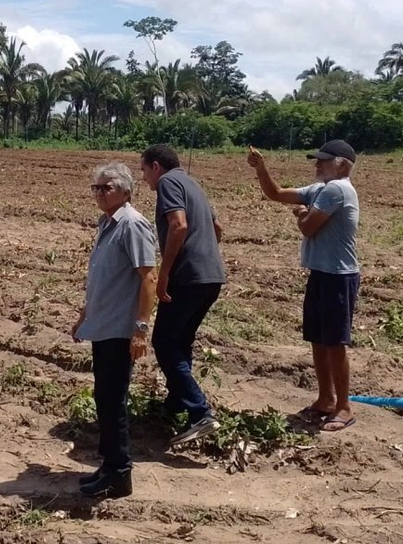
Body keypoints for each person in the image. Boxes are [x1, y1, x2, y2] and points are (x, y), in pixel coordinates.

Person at [247, 140, 360, 432]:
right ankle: (325, 399)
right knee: (319, 340)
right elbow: (275, 194)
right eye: (317, 159)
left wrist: (300, 216)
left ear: (343, 164)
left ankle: (344, 407)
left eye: (324, 160)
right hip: (322, 274)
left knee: (335, 343)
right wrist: (262, 168)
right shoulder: (320, 189)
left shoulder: (337, 190)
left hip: (338, 276)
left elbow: (309, 227)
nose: (317, 163)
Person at [71, 164, 156, 499]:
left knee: (113, 401)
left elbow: (147, 277)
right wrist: (84, 315)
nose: (99, 193)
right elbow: (102, 280)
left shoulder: (133, 224)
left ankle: (120, 475)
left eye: (106, 188)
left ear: (125, 191)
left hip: (120, 329)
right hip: (103, 324)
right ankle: (108, 467)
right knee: (104, 400)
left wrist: (140, 329)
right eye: (96, 188)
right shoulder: (107, 223)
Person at [139, 144, 225, 446]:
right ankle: (176, 403)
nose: (146, 179)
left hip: (187, 277)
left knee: (163, 341)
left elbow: (178, 225)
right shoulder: (192, 183)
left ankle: (200, 411)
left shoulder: (169, 183)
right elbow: (216, 229)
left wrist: (164, 274)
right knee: (181, 340)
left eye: (144, 171)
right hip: (211, 276)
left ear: (156, 167)